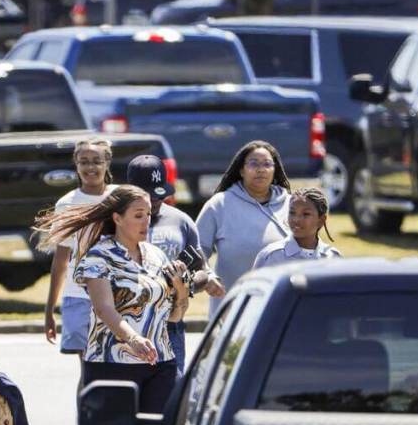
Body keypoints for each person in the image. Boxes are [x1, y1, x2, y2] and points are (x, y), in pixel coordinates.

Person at [35, 185, 190, 425]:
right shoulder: (97, 258)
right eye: (137, 214)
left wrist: (182, 292)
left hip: (159, 363)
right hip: (111, 365)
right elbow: (104, 308)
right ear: (117, 218)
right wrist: (132, 338)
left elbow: (173, 316)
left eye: (148, 215)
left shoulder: (156, 256)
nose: (145, 221)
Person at [43, 138, 117, 425]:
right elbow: (61, 258)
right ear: (76, 165)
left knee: (115, 372)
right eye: (84, 161)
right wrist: (50, 307)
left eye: (96, 160)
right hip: (78, 298)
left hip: (119, 297)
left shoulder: (119, 199)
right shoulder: (67, 203)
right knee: (90, 373)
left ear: (107, 163)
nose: (90, 167)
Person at [124, 154, 209, 377]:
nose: (155, 201)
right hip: (127, 323)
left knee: (171, 391)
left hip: (170, 322)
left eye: (159, 194)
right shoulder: (113, 223)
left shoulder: (181, 221)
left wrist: (184, 284)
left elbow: (203, 272)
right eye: (148, 196)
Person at [196, 140, 292, 316]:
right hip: (232, 311)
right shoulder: (220, 204)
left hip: (281, 310)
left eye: (267, 164)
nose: (261, 169)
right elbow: (196, 249)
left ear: (275, 170)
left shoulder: (291, 205)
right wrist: (207, 276)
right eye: (254, 164)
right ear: (241, 170)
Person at [254, 187, 342, 268]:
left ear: (321, 220)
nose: (296, 219)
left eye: (306, 214)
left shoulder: (333, 257)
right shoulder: (271, 257)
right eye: (292, 213)